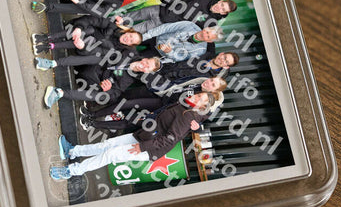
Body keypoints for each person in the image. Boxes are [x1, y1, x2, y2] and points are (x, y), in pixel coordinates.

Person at [50, 92, 220, 180]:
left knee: (110, 154)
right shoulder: (185, 106)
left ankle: (71, 171)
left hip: (148, 147)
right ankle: (72, 151)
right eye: (199, 94)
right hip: (144, 135)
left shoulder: (188, 117)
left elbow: (169, 139)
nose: (196, 96)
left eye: (200, 98)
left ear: (202, 107)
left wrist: (143, 147)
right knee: (107, 145)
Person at [80, 77, 227, 131]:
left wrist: (197, 129)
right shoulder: (197, 84)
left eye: (213, 84)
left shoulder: (205, 107)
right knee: (127, 104)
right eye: (211, 80)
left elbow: (198, 122)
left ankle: (93, 124)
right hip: (160, 100)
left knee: (130, 121)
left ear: (214, 92)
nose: (209, 82)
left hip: (162, 115)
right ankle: (92, 114)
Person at [43, 57, 162, 108]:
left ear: (147, 72)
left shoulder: (131, 78)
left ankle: (59, 93)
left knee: (103, 96)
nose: (144, 66)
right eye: (147, 63)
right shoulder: (129, 53)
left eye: (148, 68)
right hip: (93, 64)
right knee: (98, 56)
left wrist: (108, 88)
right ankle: (52, 63)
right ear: (145, 59)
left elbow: (117, 91)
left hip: (93, 80)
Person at [32, 15, 142, 68]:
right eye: (130, 36)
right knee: (90, 30)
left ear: (129, 45)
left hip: (86, 49)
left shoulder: (115, 51)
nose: (128, 38)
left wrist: (83, 46)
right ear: (128, 31)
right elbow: (92, 20)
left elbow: (97, 51)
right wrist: (79, 28)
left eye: (131, 41)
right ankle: (48, 38)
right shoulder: (114, 25)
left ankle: (52, 58)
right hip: (79, 30)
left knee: (94, 57)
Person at [125, 0, 237, 34]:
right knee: (126, 17)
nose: (219, 8)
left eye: (223, 9)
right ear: (220, 1)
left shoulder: (211, 24)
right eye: (222, 5)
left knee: (131, 32)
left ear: (223, 13)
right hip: (159, 9)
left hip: (161, 25)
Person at [141, 21, 224, 62]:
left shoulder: (200, 51)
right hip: (155, 38)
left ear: (209, 41)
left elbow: (180, 58)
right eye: (207, 32)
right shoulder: (189, 25)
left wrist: (170, 52)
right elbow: (165, 28)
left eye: (208, 36)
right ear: (206, 28)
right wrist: (145, 36)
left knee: (137, 58)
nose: (204, 34)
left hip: (159, 54)